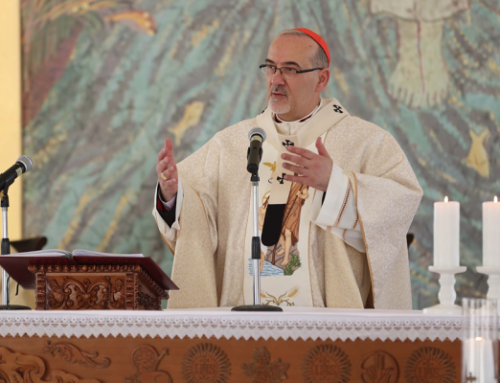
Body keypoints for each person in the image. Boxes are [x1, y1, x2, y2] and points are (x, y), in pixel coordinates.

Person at [153, 28, 423, 309]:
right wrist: (172, 195)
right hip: (240, 323)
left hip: (329, 325)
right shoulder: (231, 143)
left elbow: (399, 205)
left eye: (290, 70)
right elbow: (196, 214)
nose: (276, 80)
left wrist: (336, 184)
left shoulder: (366, 142)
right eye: (271, 68)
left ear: (322, 78)